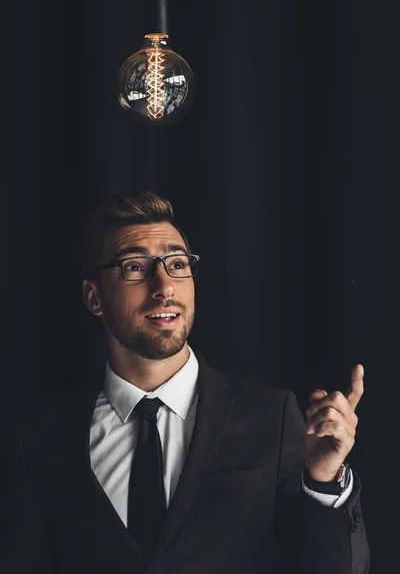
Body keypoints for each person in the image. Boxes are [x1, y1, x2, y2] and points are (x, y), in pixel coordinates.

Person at [3, 189, 370, 573]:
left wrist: (326, 482)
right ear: (94, 298)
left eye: (177, 264)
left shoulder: (271, 418)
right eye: (135, 267)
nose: (164, 286)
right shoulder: (39, 437)